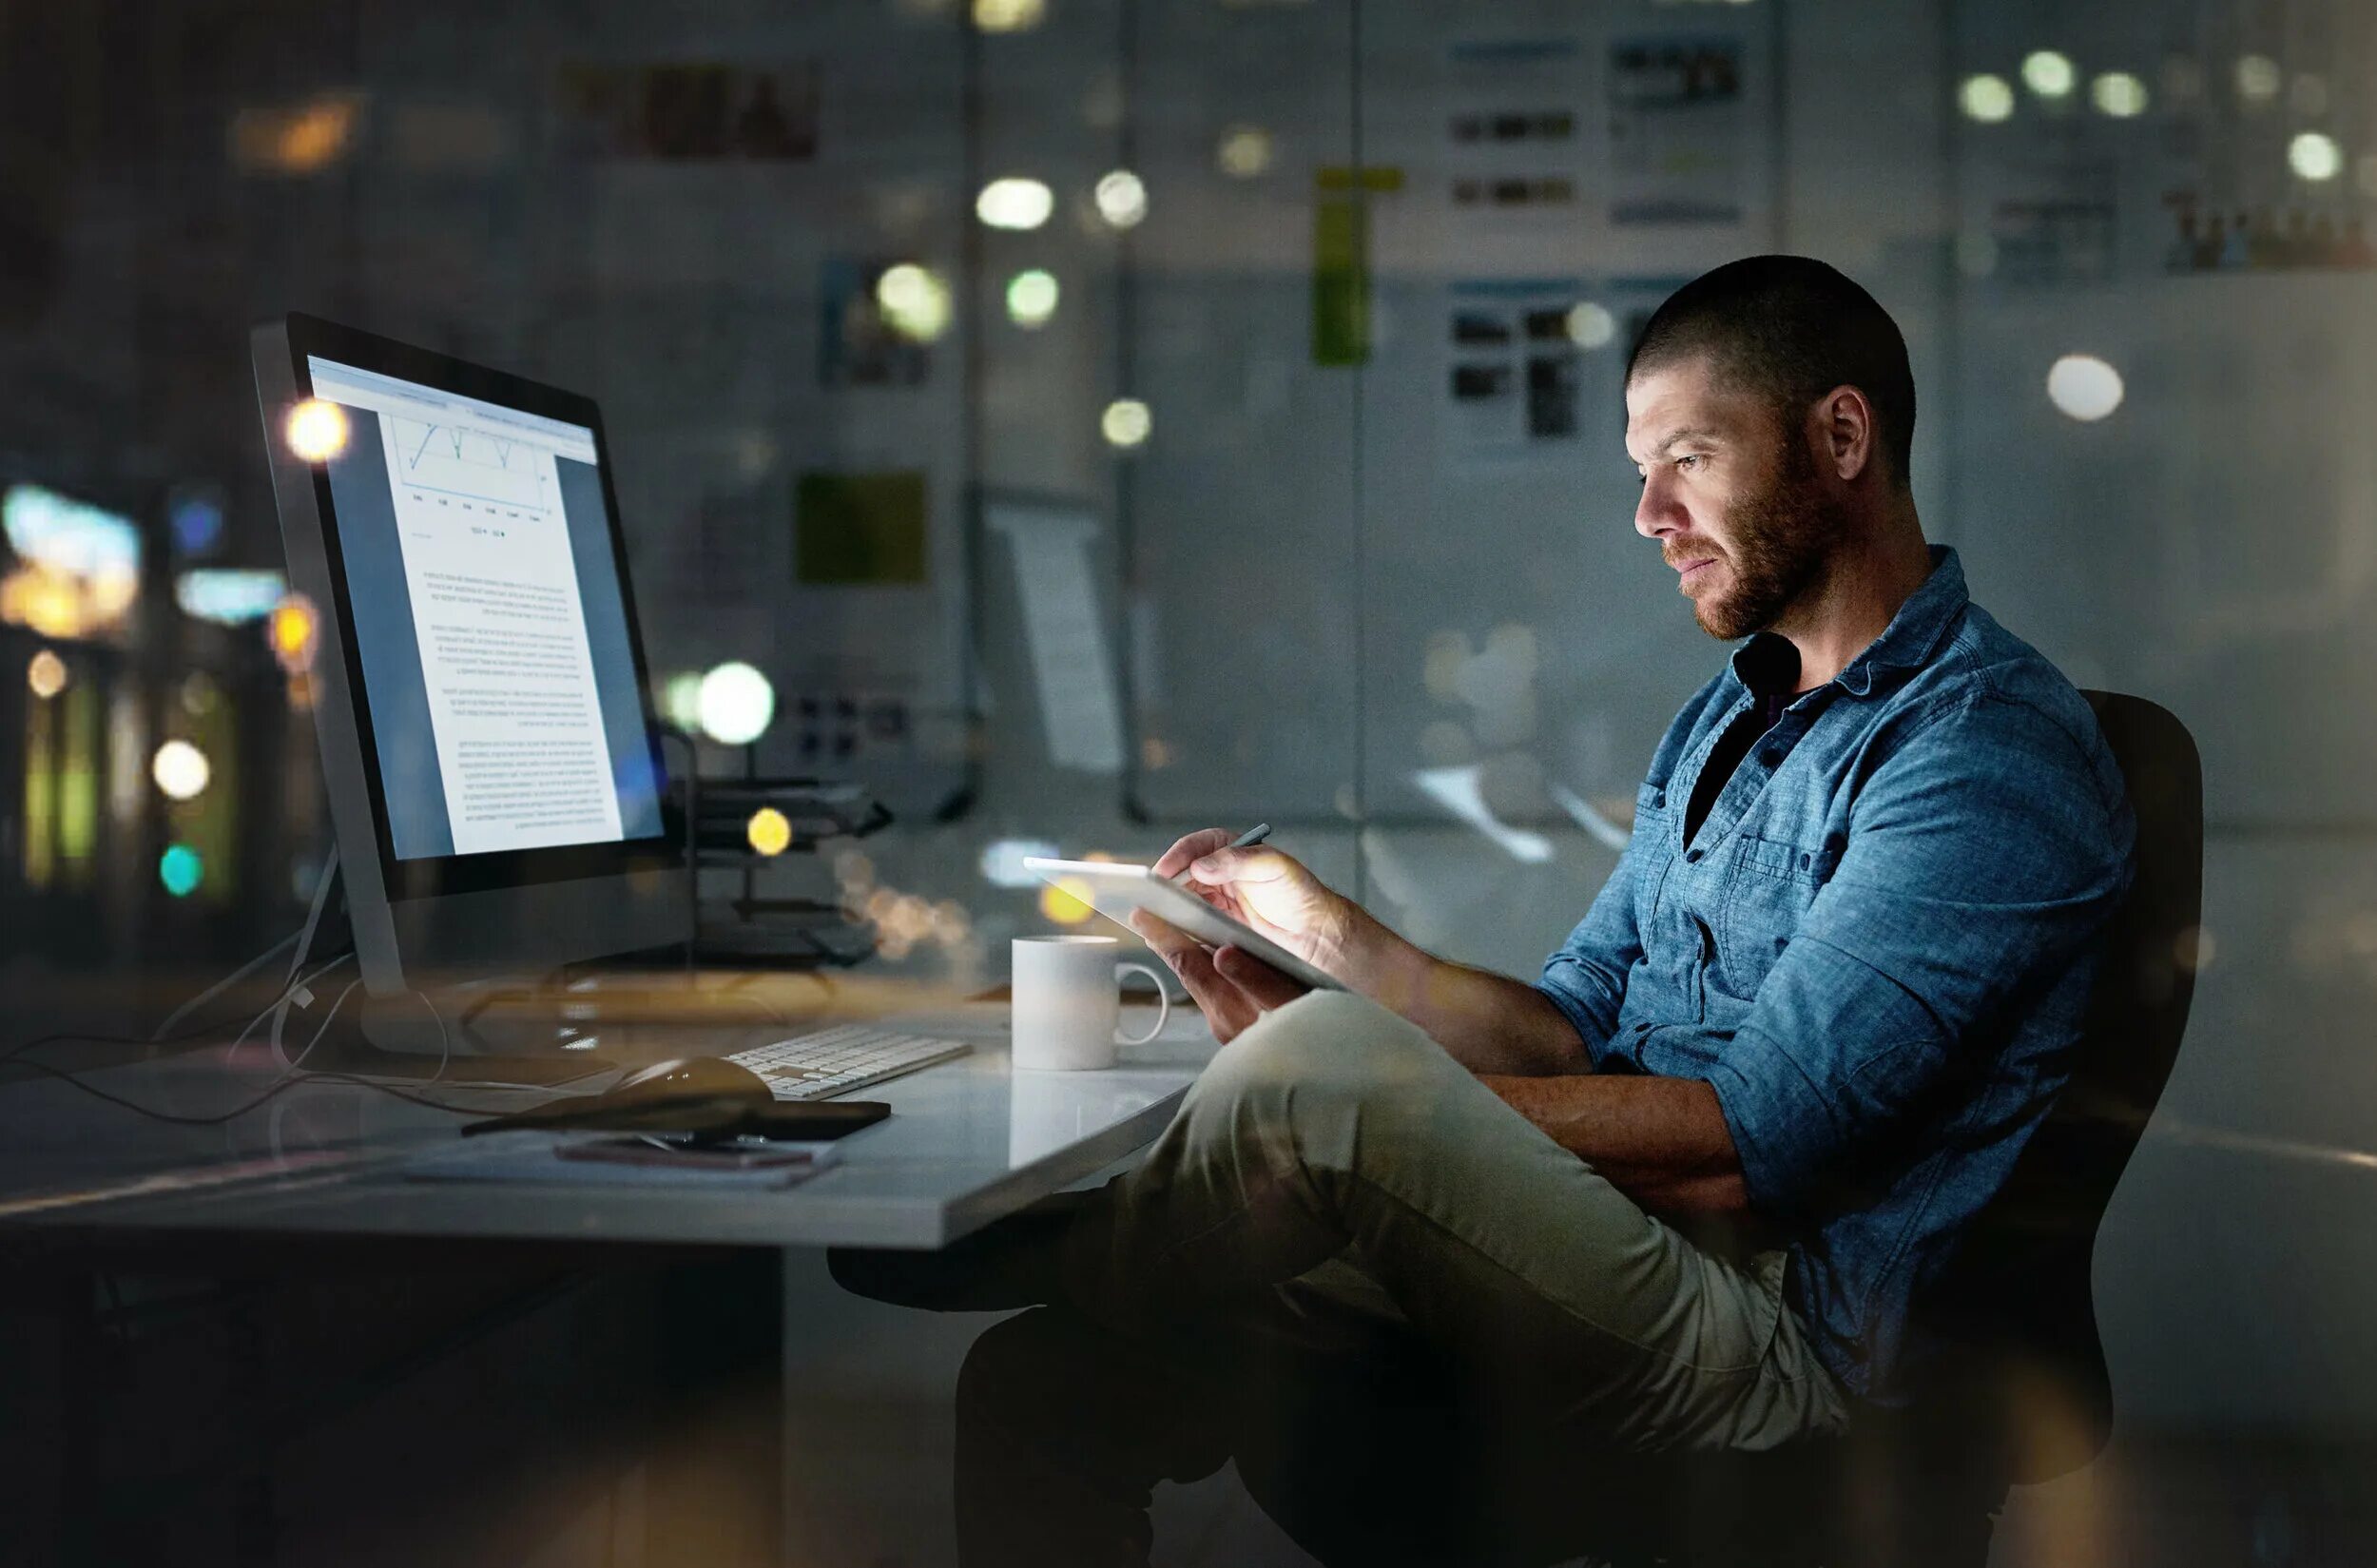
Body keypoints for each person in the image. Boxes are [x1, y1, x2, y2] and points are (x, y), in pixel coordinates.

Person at [835, 254, 2136, 1562]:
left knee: (1325, 1080)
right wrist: (1325, 941)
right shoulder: (1727, 722)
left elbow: (1744, 1152)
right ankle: (1116, 1241)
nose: (1648, 513)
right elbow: (1565, 1035)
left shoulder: (1983, 749)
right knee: (1042, 1382)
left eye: (1687, 457)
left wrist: (1350, 1109)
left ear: (1841, 436)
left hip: (1778, 1338)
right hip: (1618, 1242)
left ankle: (1092, 1244)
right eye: (1640, 468)